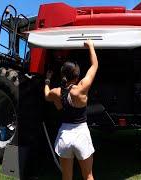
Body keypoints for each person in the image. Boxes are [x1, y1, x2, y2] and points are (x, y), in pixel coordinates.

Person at [44, 39, 98, 180]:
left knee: (66, 177)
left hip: (64, 137)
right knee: (88, 176)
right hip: (81, 135)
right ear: (77, 76)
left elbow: (46, 95)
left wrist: (47, 80)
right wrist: (91, 46)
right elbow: (94, 65)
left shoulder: (56, 92)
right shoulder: (80, 89)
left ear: (63, 75)